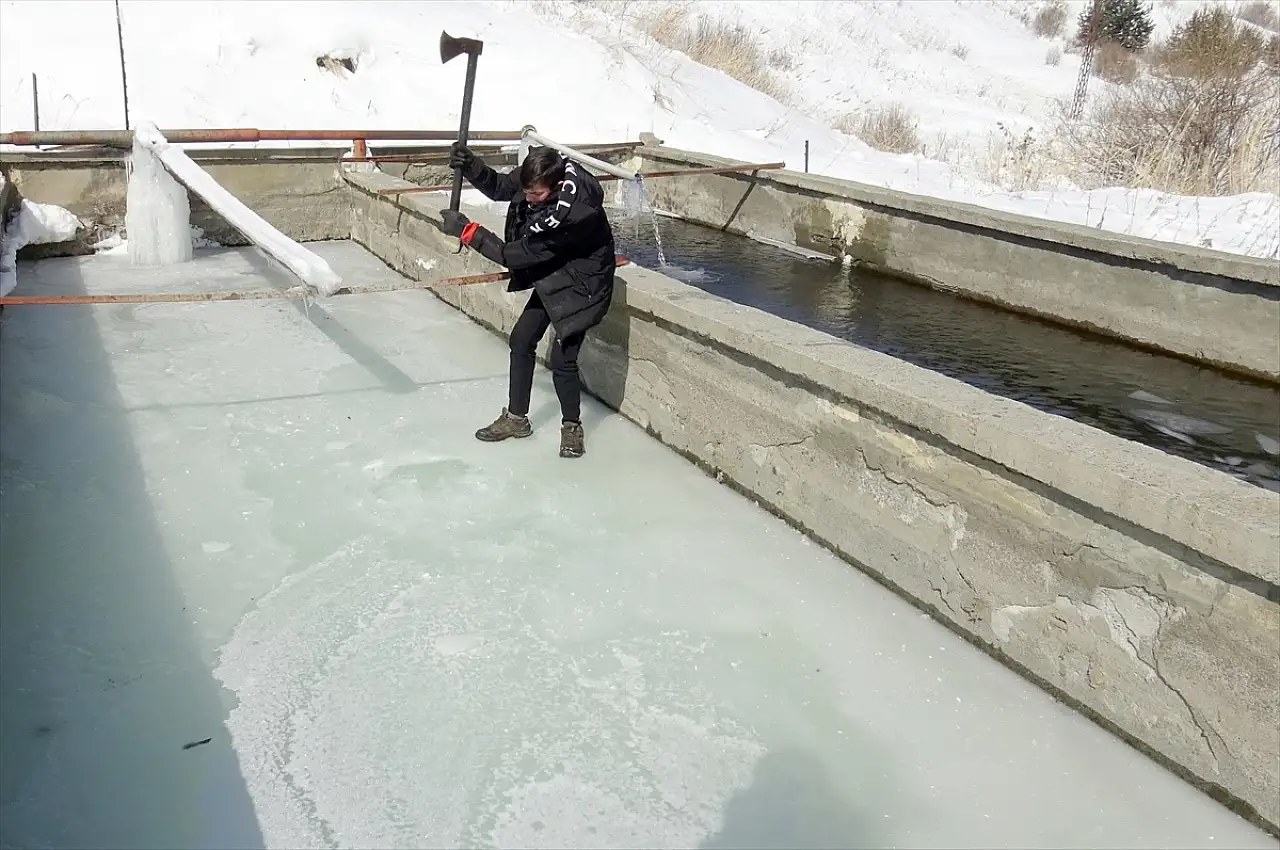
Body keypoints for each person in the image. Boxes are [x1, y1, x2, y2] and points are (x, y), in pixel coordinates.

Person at [440, 142, 616, 459]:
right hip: (554, 271)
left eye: (536, 196)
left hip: (582, 284)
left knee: (564, 360)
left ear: (558, 185)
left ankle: (572, 426)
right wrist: (471, 166)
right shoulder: (538, 172)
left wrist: (468, 231)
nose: (529, 200)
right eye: (528, 192)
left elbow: (514, 256)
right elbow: (500, 188)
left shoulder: (573, 217)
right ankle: (516, 419)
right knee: (522, 340)